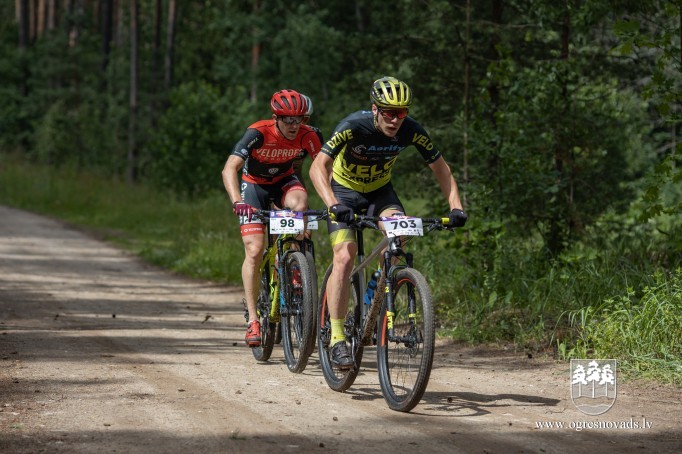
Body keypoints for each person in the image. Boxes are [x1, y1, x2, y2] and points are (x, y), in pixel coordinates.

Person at [309, 76, 468, 369]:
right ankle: (337, 337)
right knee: (344, 257)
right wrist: (332, 203)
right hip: (343, 192)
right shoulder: (353, 125)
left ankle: (370, 302)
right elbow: (318, 166)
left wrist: (455, 207)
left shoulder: (411, 130)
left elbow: (441, 169)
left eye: (402, 112)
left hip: (380, 193)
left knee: (398, 240)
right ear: (375, 109)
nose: (395, 119)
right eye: (389, 112)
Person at [222, 89, 323, 347]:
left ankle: (295, 266)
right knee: (255, 250)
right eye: (287, 119)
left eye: (298, 119)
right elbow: (229, 168)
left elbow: (324, 168)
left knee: (300, 205)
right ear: (275, 118)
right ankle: (253, 320)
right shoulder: (258, 132)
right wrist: (237, 202)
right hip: (254, 186)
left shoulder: (309, 135)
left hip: (284, 182)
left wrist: (336, 201)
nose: (293, 125)